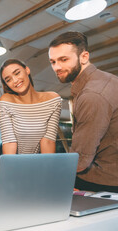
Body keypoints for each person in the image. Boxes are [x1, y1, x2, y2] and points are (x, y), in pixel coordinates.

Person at [48, 31, 118, 192]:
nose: (57, 67)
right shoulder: (107, 79)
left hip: (104, 182)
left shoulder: (92, 95)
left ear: (84, 57)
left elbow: (80, 160)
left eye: (63, 59)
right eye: (53, 61)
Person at [0, 59, 62, 154]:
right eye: (8, 80)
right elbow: (9, 142)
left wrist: (47, 168)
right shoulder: (6, 101)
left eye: (17, 73)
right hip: (15, 164)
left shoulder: (53, 100)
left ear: (27, 70)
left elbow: (48, 141)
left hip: (39, 164)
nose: (15, 80)